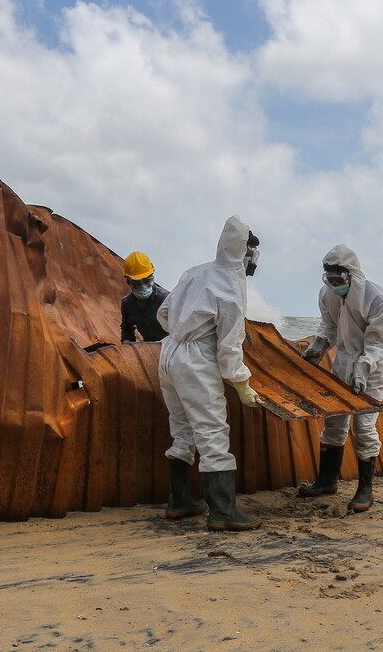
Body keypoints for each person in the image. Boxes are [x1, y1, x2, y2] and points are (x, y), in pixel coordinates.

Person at [156, 216, 263, 531]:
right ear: (246, 252)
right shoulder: (232, 286)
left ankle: (180, 501)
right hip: (195, 360)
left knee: (182, 429)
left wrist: (183, 332)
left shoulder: (196, 271)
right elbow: (230, 346)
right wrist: (241, 382)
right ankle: (222, 511)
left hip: (169, 352)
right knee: (212, 432)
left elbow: (163, 313)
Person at [297, 244, 383, 513]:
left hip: (376, 364)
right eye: (329, 279)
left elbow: (378, 343)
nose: (333, 285)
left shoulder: (377, 300)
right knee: (334, 419)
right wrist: (316, 348)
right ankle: (326, 481)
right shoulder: (327, 293)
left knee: (364, 425)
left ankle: (365, 490)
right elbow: (329, 327)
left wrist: (364, 367)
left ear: (352, 275)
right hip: (344, 360)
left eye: (338, 280)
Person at [120, 252, 170, 344]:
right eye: (137, 283)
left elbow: (180, 329)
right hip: (148, 347)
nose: (143, 286)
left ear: (153, 279)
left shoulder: (165, 299)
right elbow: (127, 329)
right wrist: (127, 343)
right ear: (128, 282)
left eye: (147, 281)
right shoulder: (127, 303)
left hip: (170, 346)